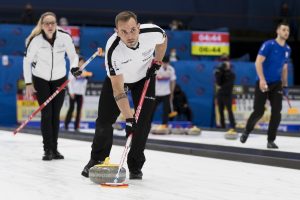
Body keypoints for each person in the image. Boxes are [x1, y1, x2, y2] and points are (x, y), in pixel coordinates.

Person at [77, 11, 167, 179]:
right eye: (124, 32)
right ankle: (96, 160)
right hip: (120, 81)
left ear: (139, 27)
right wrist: (128, 118)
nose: (130, 35)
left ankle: (135, 165)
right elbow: (118, 91)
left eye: (133, 30)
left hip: (144, 78)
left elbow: (163, 40)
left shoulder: (153, 32)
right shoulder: (113, 50)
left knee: (143, 124)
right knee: (104, 121)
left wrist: (157, 61)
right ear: (117, 31)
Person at [23, 12, 79, 160]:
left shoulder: (64, 37)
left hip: (59, 79)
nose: (50, 26)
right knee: (46, 114)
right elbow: (26, 61)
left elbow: (74, 56)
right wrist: (28, 83)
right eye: (47, 23)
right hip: (40, 79)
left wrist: (74, 68)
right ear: (42, 25)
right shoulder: (36, 41)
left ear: (56, 24)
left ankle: (55, 149)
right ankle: (47, 149)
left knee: (55, 115)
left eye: (52, 23)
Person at [240, 22, 291, 149]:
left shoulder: (287, 49)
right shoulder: (269, 45)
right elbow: (258, 62)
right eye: (284, 30)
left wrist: (285, 85)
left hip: (276, 84)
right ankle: (247, 130)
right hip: (263, 82)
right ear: (277, 31)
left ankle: (271, 140)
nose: (286, 32)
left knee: (276, 112)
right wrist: (262, 80)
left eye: (288, 30)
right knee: (259, 111)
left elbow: (284, 68)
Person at [64, 56, 92, 131]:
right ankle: (66, 125)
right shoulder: (72, 70)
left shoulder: (85, 71)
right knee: (71, 109)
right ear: (77, 62)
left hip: (80, 94)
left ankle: (76, 127)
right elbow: (69, 82)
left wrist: (83, 93)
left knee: (79, 111)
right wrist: (71, 92)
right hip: (73, 93)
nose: (82, 63)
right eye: (81, 62)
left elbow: (86, 81)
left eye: (83, 62)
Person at [151, 56, 176, 134]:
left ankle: (164, 125)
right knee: (151, 110)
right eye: (164, 63)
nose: (165, 65)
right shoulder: (157, 68)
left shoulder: (171, 69)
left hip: (166, 93)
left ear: (168, 63)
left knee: (166, 111)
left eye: (167, 63)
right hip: (156, 93)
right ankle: (147, 124)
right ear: (162, 62)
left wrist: (172, 93)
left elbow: (173, 81)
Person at [214, 55, 236, 133]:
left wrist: (226, 70)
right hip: (220, 94)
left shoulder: (232, 74)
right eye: (223, 62)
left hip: (227, 95)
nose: (225, 63)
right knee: (220, 111)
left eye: (226, 62)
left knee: (229, 111)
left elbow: (229, 85)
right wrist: (218, 73)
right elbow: (218, 83)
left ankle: (233, 126)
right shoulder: (220, 72)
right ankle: (222, 127)